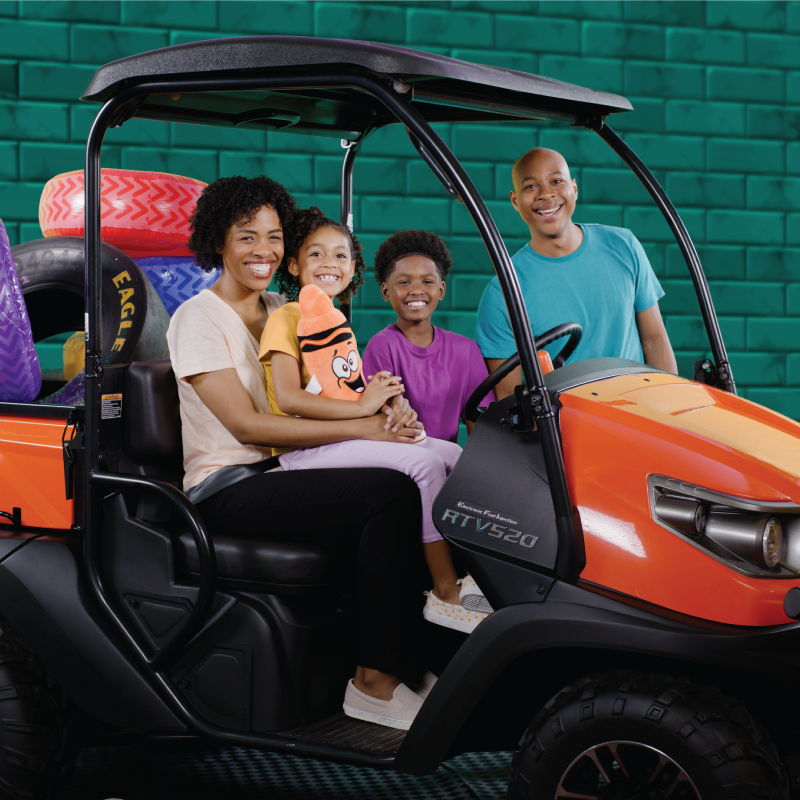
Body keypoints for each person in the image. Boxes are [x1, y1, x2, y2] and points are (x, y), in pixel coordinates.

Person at [167, 175, 429, 731]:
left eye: (274, 236)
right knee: (389, 495)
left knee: (424, 470)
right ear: (218, 240)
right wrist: (363, 431)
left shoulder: (284, 308)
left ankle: (409, 659)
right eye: (246, 237)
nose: (263, 250)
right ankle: (373, 685)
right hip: (230, 483)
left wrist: (384, 413)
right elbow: (245, 423)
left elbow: (333, 395)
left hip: (285, 469)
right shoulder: (197, 318)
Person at [259, 209, 489, 638]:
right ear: (294, 265)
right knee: (424, 466)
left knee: (452, 453)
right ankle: (443, 590)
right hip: (304, 447)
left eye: (341, 256)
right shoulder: (288, 318)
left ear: (352, 268)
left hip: (338, 436)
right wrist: (368, 408)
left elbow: (346, 392)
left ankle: (472, 571)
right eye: (317, 254)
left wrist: (386, 407)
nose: (331, 264)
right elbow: (290, 399)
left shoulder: (334, 323)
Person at [476, 147, 677, 399]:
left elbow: (654, 340)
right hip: (569, 430)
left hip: (638, 416)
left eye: (556, 181)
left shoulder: (624, 245)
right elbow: (507, 399)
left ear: (574, 189)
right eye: (531, 187)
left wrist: (669, 406)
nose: (546, 194)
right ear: (515, 200)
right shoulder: (502, 292)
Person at [362, 229, 493, 615]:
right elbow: (387, 416)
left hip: (449, 466)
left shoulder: (465, 350)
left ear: (441, 290)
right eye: (403, 282)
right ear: (386, 292)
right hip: (403, 468)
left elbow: (477, 420)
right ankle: (445, 590)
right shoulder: (382, 346)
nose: (415, 289)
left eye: (426, 281)